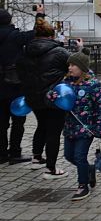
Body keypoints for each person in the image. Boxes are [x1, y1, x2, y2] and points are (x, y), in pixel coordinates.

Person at [48, 48, 101, 200]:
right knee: (69, 156)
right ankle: (89, 170)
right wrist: (51, 96)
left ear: (82, 67)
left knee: (80, 156)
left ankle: (83, 186)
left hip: (86, 128)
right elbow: (57, 101)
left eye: (73, 65)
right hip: (69, 127)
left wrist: (100, 127)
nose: (69, 68)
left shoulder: (93, 84)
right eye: (69, 65)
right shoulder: (66, 83)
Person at [17, 17, 71, 178]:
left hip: (33, 97)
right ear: (51, 35)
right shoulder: (59, 51)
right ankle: (51, 168)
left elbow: (19, 72)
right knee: (53, 131)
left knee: (41, 125)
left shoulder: (25, 51)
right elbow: (75, 66)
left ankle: (36, 157)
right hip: (54, 97)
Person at [0, 7, 44, 165]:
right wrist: (39, 14)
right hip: (15, 85)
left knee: (1, 122)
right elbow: (37, 32)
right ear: (10, 20)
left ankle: (1, 154)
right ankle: (14, 153)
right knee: (18, 120)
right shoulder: (15, 37)